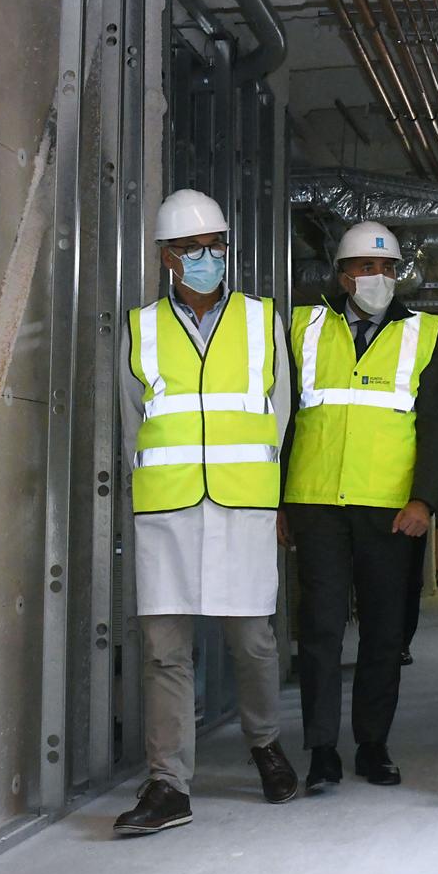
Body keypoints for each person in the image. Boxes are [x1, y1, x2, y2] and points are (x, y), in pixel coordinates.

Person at [114, 190, 299, 836]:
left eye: (215, 244)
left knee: (252, 639)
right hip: (166, 509)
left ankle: (265, 743)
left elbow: (279, 411)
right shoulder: (142, 327)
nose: (206, 256)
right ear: (166, 257)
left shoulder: (260, 319)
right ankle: (168, 782)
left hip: (241, 503)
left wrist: (269, 493)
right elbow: (131, 419)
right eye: (191, 248)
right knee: (165, 649)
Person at [282, 221, 438, 792]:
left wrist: (424, 498)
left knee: (384, 631)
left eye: (385, 268)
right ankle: (322, 749)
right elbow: (283, 420)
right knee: (321, 629)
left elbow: (434, 426)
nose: (375, 277)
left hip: (390, 507)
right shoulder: (304, 328)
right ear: (342, 274)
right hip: (317, 501)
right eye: (363, 267)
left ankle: (372, 745)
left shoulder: (423, 334)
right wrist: (280, 500)